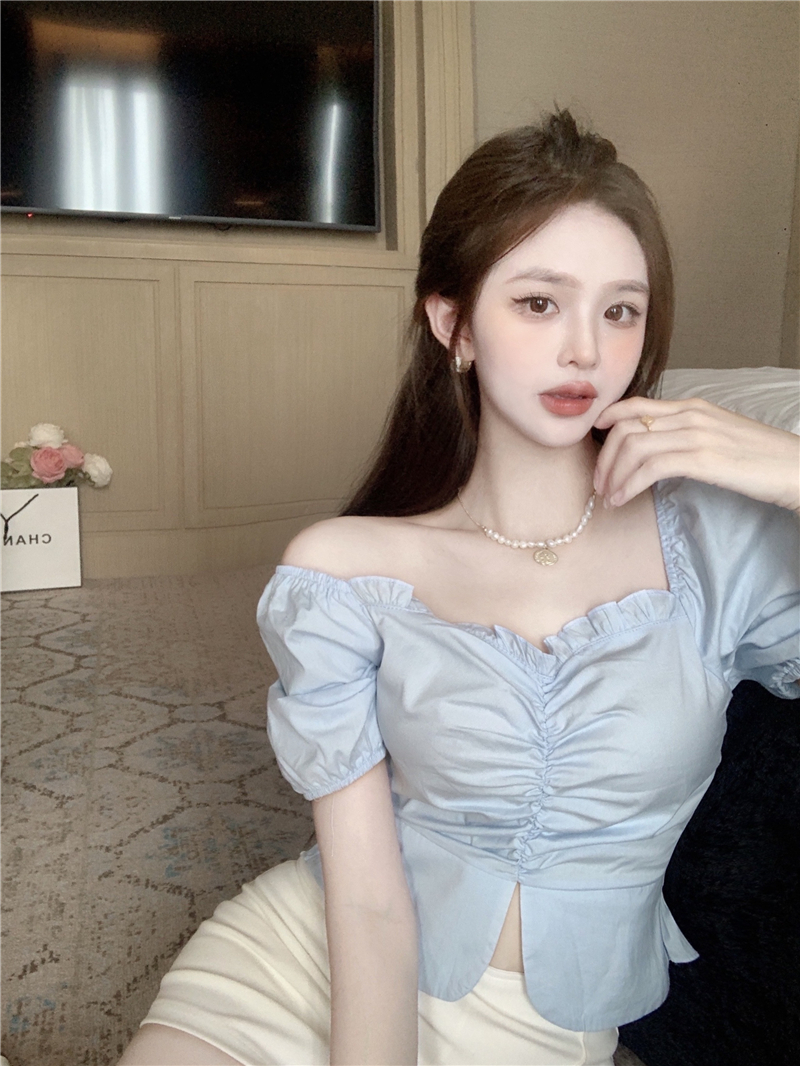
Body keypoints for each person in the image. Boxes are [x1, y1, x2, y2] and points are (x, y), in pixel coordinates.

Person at [119, 110, 800, 1066]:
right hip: (308, 957)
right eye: (539, 303)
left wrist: (792, 470)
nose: (585, 351)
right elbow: (366, 901)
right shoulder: (346, 572)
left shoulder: (719, 545)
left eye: (620, 310)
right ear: (455, 325)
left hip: (543, 1024)